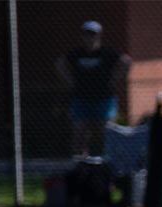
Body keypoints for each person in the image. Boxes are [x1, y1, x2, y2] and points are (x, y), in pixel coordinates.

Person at [56, 21, 132, 157]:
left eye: (93, 34)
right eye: (87, 34)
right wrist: (70, 80)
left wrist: (115, 78)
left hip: (104, 98)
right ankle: (81, 161)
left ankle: (109, 159)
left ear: (99, 36)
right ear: (82, 36)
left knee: (106, 131)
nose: (90, 38)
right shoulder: (77, 53)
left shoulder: (107, 52)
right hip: (81, 97)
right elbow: (60, 64)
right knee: (80, 131)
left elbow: (126, 61)